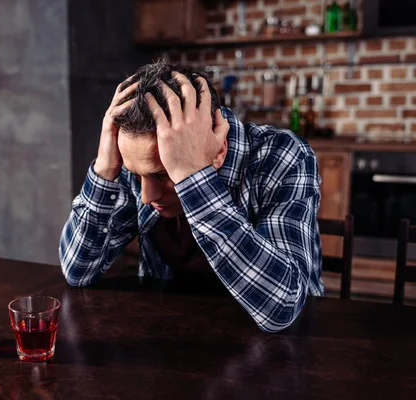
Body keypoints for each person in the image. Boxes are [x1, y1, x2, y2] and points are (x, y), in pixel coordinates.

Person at [59, 61, 323, 333]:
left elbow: (281, 308)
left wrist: (193, 175)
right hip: (175, 334)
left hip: (282, 347)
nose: (146, 196)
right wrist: (104, 171)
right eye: (136, 175)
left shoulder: (282, 155)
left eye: (163, 176)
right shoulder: (142, 163)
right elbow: (79, 271)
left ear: (219, 149)